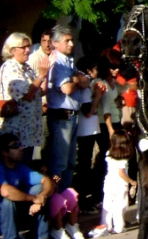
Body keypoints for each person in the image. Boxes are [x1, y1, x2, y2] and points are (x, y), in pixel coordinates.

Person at [46, 25, 89, 192]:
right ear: (55, 43)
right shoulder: (56, 62)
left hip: (73, 115)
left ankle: (66, 200)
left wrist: (77, 80)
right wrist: (77, 81)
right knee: (59, 162)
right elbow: (67, 89)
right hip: (61, 116)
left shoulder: (68, 60)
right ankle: (56, 203)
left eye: (72, 40)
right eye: (67, 41)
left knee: (71, 162)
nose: (71, 44)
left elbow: (87, 81)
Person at [0, 32, 48, 163]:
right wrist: (41, 75)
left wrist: (46, 73)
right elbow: (27, 95)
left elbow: (39, 91)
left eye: (28, 46)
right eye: (23, 47)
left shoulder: (26, 68)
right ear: (12, 50)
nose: (27, 50)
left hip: (28, 132)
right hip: (16, 132)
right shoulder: (10, 67)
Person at [0, 133, 54, 239]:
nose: (21, 148)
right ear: (4, 152)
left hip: (17, 211)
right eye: (15, 146)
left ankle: (42, 237)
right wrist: (34, 198)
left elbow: (46, 180)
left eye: (20, 145)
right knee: (6, 201)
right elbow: (5, 191)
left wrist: (42, 197)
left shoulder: (20, 167)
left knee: (39, 188)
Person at [88, 130, 137, 237]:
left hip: (109, 183)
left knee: (108, 206)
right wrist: (132, 181)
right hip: (120, 185)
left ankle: (106, 225)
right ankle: (119, 227)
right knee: (120, 206)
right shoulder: (123, 158)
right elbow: (121, 173)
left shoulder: (109, 154)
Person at [74, 56, 101, 211]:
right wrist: (97, 96)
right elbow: (88, 111)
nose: (98, 71)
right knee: (84, 166)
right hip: (85, 131)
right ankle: (82, 200)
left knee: (87, 163)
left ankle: (85, 198)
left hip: (91, 130)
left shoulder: (90, 84)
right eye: (95, 68)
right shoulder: (86, 87)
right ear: (89, 71)